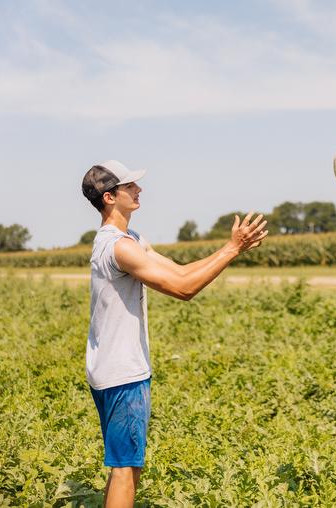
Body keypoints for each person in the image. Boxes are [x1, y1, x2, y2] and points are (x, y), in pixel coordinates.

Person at [81, 160, 268, 507]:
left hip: (107, 369)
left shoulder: (129, 240)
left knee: (122, 465)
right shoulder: (120, 248)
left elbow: (181, 271)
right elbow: (184, 288)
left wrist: (231, 251)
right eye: (129, 186)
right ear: (110, 197)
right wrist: (233, 249)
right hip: (123, 373)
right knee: (126, 468)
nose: (139, 190)